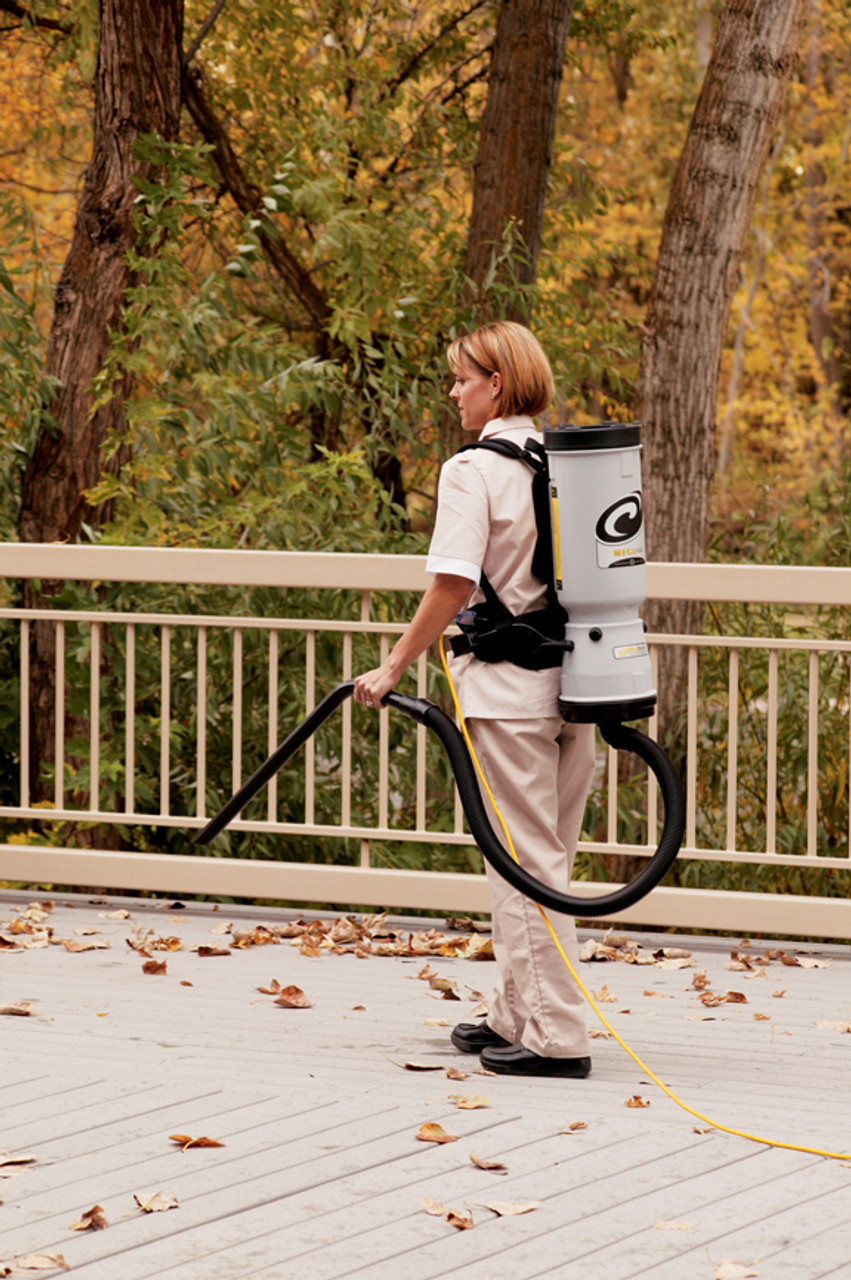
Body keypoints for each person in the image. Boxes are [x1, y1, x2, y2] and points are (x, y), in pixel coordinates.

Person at [353, 320, 595, 1078]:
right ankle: (514, 1013)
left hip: (508, 691)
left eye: (462, 378)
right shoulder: (567, 464)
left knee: (523, 865)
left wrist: (393, 663)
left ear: (497, 383)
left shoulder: (472, 470)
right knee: (545, 854)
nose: (454, 392)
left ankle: (556, 1038)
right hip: (579, 683)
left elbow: (453, 583)